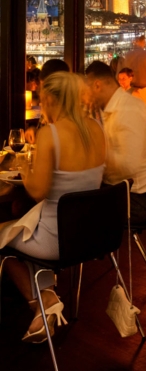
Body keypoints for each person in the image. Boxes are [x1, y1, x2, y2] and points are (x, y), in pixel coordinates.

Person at [0, 72, 105, 343]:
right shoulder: (96, 128)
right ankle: (46, 303)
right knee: (23, 225)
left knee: (4, 240)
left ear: (49, 99)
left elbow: (37, 192)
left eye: (42, 100)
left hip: (56, 239)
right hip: (90, 235)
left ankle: (42, 304)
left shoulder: (52, 134)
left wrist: (23, 167)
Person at [85, 60, 146, 223]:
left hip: (135, 200)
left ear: (97, 86)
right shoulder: (120, 107)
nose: (85, 98)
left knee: (72, 206)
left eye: (86, 91)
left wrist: (91, 156)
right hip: (125, 193)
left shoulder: (128, 110)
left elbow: (128, 166)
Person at [118, 35, 146, 106]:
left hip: (131, 88)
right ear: (143, 42)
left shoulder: (128, 55)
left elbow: (124, 70)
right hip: (144, 88)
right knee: (145, 110)